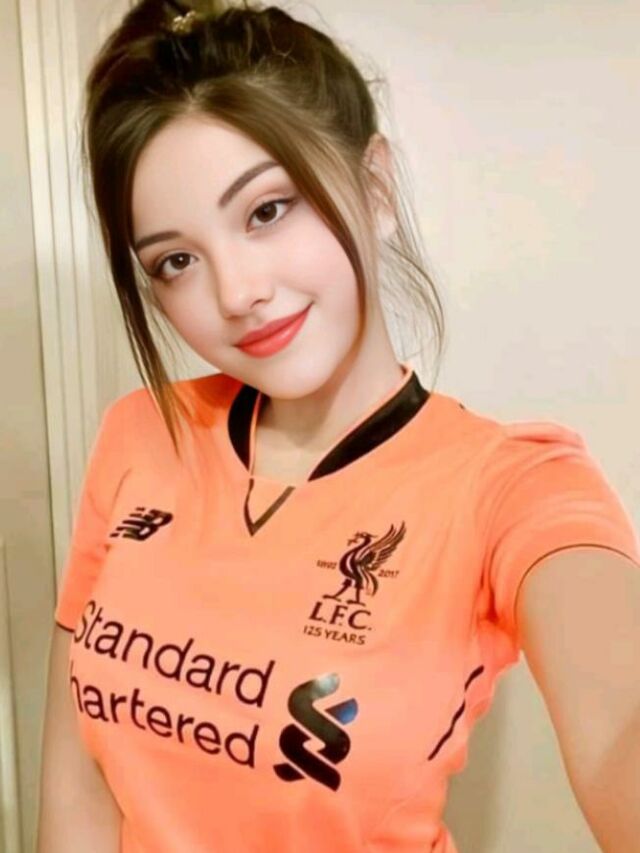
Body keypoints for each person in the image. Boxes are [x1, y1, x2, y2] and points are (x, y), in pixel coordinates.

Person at [37, 1, 640, 851]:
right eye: (176, 260)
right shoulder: (140, 433)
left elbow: (619, 727)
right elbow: (78, 783)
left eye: (267, 210)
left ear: (376, 188)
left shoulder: (510, 486)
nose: (236, 293)